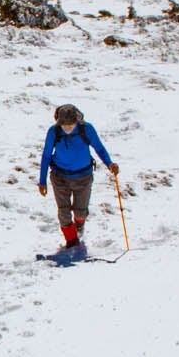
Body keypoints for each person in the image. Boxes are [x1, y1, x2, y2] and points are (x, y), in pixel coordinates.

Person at [37, 104, 118, 254]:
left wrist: (109, 163)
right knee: (63, 212)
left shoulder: (86, 129)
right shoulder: (53, 132)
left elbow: (98, 148)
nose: (67, 128)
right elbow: (46, 155)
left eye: (70, 125)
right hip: (59, 176)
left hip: (83, 177)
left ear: (77, 121)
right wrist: (42, 181)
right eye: (64, 125)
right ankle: (72, 242)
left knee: (80, 212)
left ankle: (79, 226)